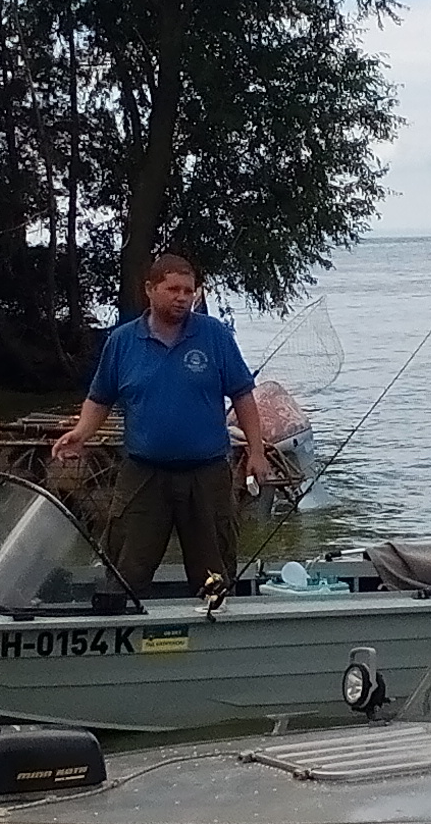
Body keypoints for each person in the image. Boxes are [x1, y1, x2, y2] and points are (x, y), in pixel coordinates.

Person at [49, 254, 268, 597]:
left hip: (207, 473)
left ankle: (214, 618)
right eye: (173, 289)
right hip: (143, 473)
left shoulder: (214, 335)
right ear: (150, 289)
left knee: (214, 573)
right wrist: (81, 432)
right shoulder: (122, 341)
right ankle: (122, 618)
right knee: (125, 570)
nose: (182, 297)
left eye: (189, 291)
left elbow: (242, 395)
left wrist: (257, 451)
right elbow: (100, 398)